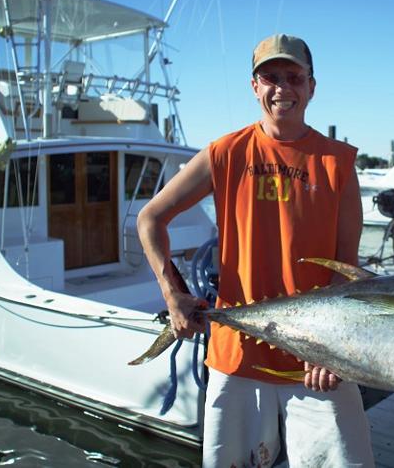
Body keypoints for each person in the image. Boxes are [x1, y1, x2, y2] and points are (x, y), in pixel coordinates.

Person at [137, 33, 374, 468]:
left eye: (294, 77)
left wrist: (332, 349)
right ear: (254, 86)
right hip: (236, 359)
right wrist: (173, 294)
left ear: (311, 86)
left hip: (315, 363)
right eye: (270, 78)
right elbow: (150, 219)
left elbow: (345, 269)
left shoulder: (337, 162)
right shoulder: (225, 153)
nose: (282, 88)